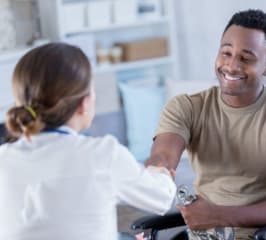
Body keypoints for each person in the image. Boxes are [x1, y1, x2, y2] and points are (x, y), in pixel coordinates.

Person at [145, 9, 266, 239]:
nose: (231, 66)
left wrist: (219, 215)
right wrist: (157, 169)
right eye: (226, 53)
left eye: (245, 58)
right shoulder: (186, 107)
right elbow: (164, 153)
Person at [0, 43, 176, 240]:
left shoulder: (4, 158)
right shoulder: (103, 155)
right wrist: (159, 168)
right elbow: (162, 198)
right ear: (84, 103)